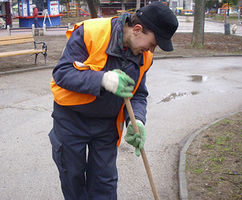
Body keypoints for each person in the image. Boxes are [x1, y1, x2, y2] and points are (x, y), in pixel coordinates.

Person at [49, 2, 178, 199]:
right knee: (72, 178)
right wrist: (103, 79)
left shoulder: (145, 57)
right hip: (70, 119)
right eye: (152, 43)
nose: (151, 50)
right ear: (137, 30)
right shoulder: (91, 32)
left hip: (106, 125)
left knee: (104, 183)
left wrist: (138, 121)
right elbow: (63, 73)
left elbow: (138, 93)